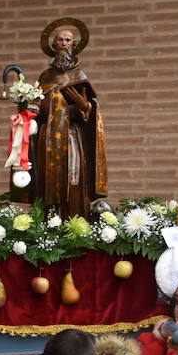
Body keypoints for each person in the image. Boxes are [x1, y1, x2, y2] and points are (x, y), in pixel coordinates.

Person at [28, 18, 107, 220]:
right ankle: (48, 227)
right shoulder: (45, 76)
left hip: (71, 136)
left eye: (68, 40)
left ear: (74, 45)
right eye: (60, 40)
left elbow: (91, 112)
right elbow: (36, 104)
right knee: (47, 182)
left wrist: (83, 106)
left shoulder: (79, 74)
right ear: (53, 45)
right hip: (47, 139)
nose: (64, 43)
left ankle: (75, 222)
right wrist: (29, 108)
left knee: (74, 180)